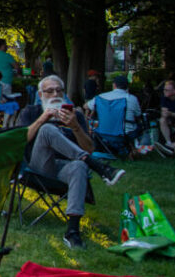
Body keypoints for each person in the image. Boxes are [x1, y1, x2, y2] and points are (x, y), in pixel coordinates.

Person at [14, 75, 125, 249]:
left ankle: (72, 231)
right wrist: (43, 118)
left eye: (59, 90)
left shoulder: (76, 116)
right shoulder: (31, 112)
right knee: (47, 129)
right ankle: (99, 167)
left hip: (63, 170)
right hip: (37, 168)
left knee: (79, 166)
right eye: (49, 91)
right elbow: (19, 141)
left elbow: (89, 148)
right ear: (40, 94)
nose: (55, 94)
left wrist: (75, 126)